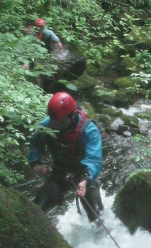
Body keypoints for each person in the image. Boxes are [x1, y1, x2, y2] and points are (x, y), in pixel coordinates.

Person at [28, 91, 103, 221]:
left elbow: (94, 159)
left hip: (84, 173)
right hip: (59, 172)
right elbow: (35, 142)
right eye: (53, 121)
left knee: (96, 213)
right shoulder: (47, 125)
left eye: (60, 122)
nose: (54, 125)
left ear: (72, 115)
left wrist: (85, 179)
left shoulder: (89, 130)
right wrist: (35, 162)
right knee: (38, 207)